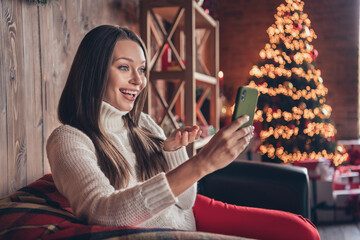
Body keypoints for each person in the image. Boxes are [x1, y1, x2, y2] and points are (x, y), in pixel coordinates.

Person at [46, 25, 320, 240]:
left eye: (141, 69)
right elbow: (101, 212)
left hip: (189, 219)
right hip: (165, 234)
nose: (138, 80)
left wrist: (173, 153)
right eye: (124, 67)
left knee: (303, 232)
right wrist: (201, 164)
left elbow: (185, 202)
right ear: (93, 71)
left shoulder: (142, 123)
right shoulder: (68, 139)